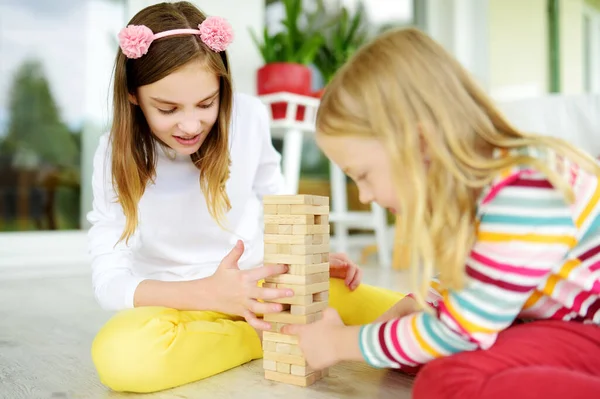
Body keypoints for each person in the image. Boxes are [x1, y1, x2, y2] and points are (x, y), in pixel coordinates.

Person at [87, 1, 403, 394]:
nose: (190, 125)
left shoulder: (249, 116)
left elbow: (276, 199)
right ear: (133, 96)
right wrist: (211, 293)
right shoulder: (112, 153)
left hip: (265, 289)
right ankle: (264, 338)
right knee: (124, 357)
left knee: (417, 316)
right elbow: (109, 281)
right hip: (178, 305)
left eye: (206, 104)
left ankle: (276, 326)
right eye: (167, 109)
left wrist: (305, 259)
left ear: (223, 87)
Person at [283, 27, 600, 399]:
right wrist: (422, 302)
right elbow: (481, 275)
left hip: (587, 331)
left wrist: (340, 343)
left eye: (363, 176)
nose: (365, 196)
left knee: (448, 380)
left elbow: (459, 332)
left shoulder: (526, 186)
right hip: (565, 325)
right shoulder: (487, 186)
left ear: (420, 142)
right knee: (411, 343)